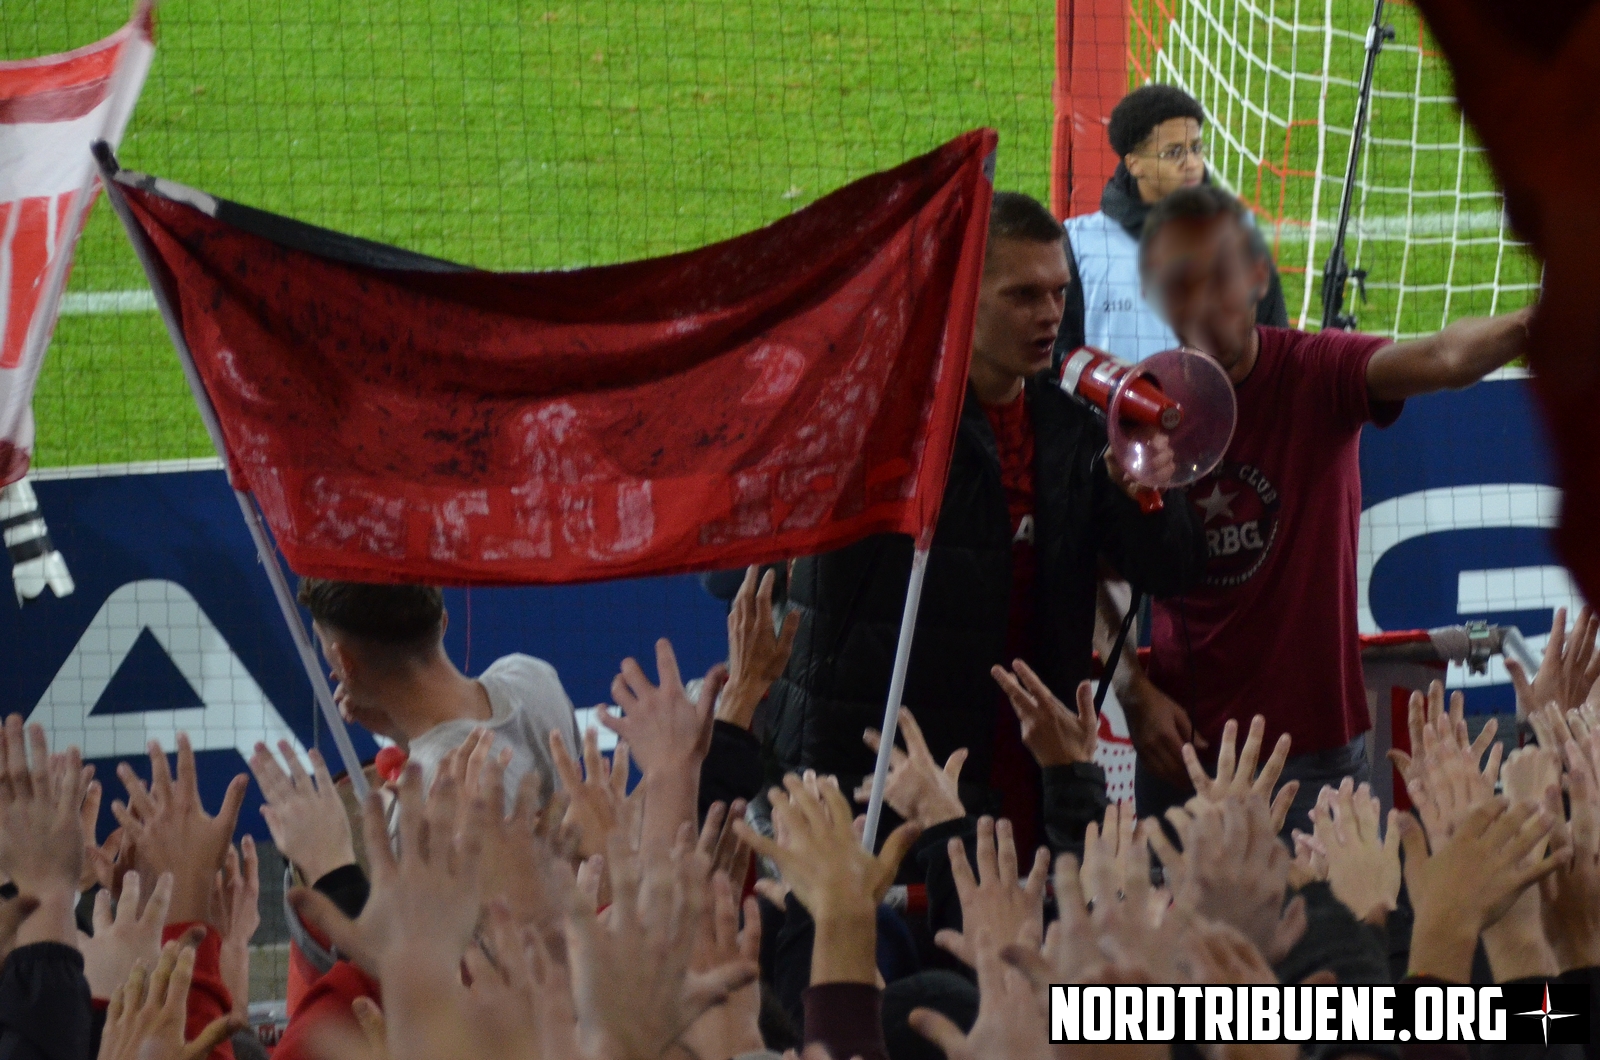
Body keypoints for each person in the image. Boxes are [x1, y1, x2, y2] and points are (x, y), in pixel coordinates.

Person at [763, 191, 1209, 854]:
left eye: (1058, 292)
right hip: (882, 765)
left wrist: (1144, 498)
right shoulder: (882, 427)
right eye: (1023, 295)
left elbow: (1172, 573)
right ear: (963, 298)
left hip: (1023, 766)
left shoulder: (1074, 434)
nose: (1049, 314)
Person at [1109, 183, 1534, 836]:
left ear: (1257, 279)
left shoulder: (1317, 372)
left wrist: (1535, 324)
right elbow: (1089, 572)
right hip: (1184, 749)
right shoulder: (1143, 408)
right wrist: (1134, 694)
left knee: (1333, 908)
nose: (1206, 310)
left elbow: (1445, 357)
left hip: (1313, 750)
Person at [1055, 84, 1289, 366]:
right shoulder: (1079, 245)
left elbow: (1275, 351)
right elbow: (1055, 359)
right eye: (1173, 152)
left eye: (1196, 148)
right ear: (1134, 164)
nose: (1191, 163)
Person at [296, 577, 580, 801]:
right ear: (442, 622)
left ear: (344, 662)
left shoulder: (427, 800)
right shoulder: (532, 675)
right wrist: (399, 731)